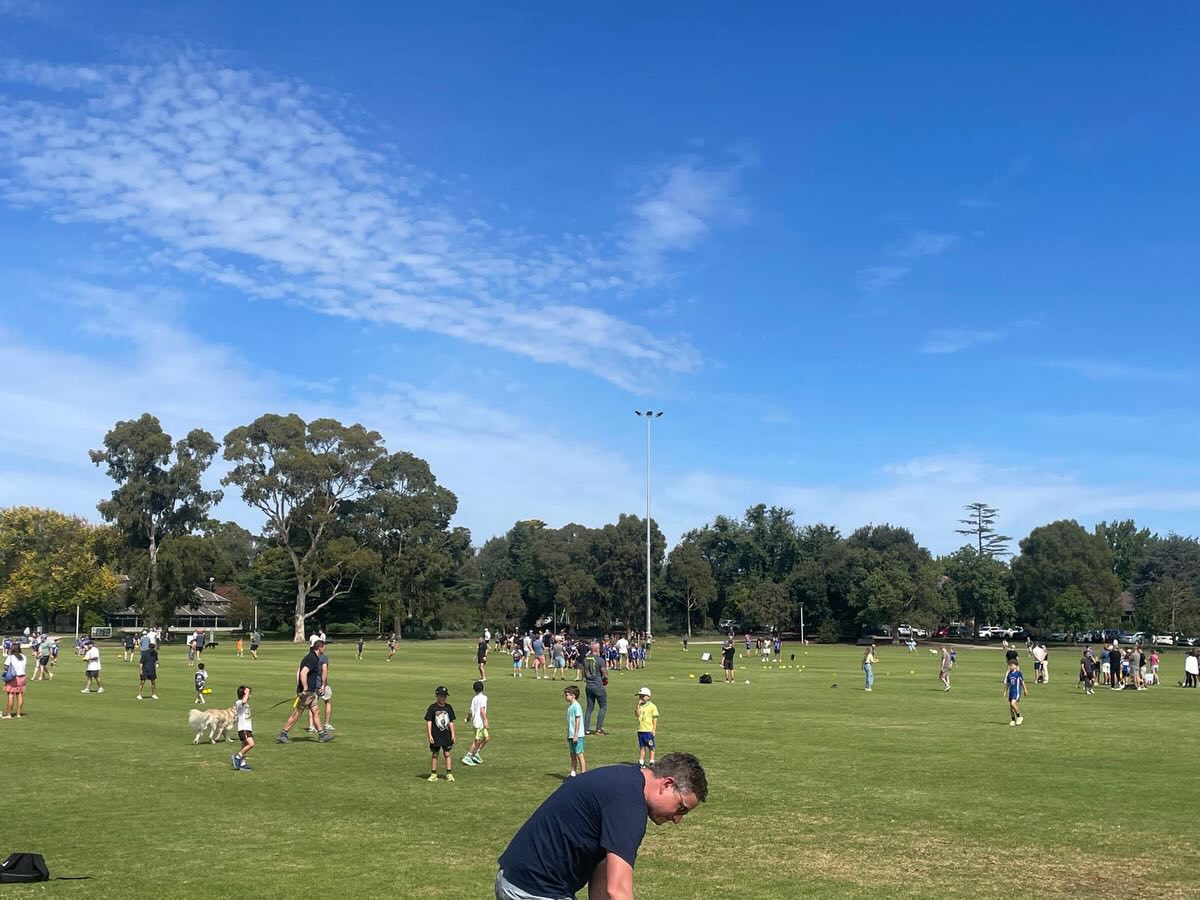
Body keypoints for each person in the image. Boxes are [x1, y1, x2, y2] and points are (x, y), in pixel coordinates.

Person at [495, 751, 708, 900]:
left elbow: (604, 874)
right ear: (667, 785)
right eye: (681, 808)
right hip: (532, 890)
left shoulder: (628, 783)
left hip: (523, 882)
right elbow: (619, 890)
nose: (677, 819)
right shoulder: (629, 804)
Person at [276, 640, 333, 743]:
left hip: (311, 692)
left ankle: (321, 734)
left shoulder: (312, 657)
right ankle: (283, 734)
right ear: (319, 647)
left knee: (315, 711)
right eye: (324, 647)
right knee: (297, 712)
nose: (325, 649)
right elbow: (303, 673)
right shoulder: (312, 659)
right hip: (307, 692)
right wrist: (305, 688)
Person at [425, 685, 456, 782]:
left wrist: (453, 734)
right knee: (435, 754)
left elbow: (451, 722)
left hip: (446, 735)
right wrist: (429, 734)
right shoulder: (432, 708)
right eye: (441, 696)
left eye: (445, 696)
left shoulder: (448, 707)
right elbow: (429, 721)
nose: (443, 698)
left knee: (447, 753)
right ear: (437, 696)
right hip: (436, 735)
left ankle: (449, 773)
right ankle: (433, 773)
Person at [582, 641, 608, 735]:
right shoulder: (600, 660)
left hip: (588, 685)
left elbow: (583, 672)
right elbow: (604, 672)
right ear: (597, 649)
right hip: (598, 685)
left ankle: (586, 729)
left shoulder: (585, 659)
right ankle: (598, 729)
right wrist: (606, 679)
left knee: (589, 708)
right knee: (603, 706)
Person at [462, 680, 489, 767]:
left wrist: (468, 719)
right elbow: (482, 710)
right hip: (479, 722)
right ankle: (468, 755)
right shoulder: (484, 698)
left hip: (475, 721)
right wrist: (485, 721)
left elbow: (470, 711)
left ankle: (476, 753)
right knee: (477, 740)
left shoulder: (474, 699)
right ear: (483, 688)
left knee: (486, 738)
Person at [564, 684, 586, 777]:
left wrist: (576, 734)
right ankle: (573, 773)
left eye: (567, 695)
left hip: (577, 735)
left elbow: (578, 720)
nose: (565, 697)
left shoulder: (576, 706)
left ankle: (583, 774)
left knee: (579, 754)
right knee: (572, 754)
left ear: (573, 696)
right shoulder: (570, 706)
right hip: (571, 735)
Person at [232, 685, 255, 771]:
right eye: (249, 694)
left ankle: (242, 764)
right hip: (243, 729)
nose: (250, 695)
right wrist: (247, 692)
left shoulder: (245, 704)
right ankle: (237, 757)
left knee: (244, 746)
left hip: (247, 728)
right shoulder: (239, 702)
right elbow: (244, 701)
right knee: (251, 744)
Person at [634, 687, 659, 768]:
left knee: (651, 746)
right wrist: (638, 705)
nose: (641, 698)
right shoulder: (640, 706)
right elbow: (637, 715)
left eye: (643, 696)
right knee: (642, 746)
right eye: (640, 696)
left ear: (648, 696)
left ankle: (652, 761)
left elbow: (655, 718)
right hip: (641, 729)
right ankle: (641, 761)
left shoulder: (652, 706)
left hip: (648, 730)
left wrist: (654, 729)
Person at [3, 640, 27, 718]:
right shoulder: (23, 656)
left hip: (13, 678)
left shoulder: (10, 657)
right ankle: (18, 714)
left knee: (11, 694)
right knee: (19, 694)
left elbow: (5, 667)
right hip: (22, 677)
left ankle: (9, 714)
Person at [317, 642, 333, 731]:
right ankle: (326, 724)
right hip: (322, 683)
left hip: (312, 684)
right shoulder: (324, 657)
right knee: (328, 702)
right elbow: (324, 672)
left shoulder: (309, 657)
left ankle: (312, 726)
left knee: (313, 705)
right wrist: (323, 685)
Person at [1005, 659, 1027, 726]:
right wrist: (1005, 691)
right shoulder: (1009, 674)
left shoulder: (1018, 673)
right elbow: (1008, 684)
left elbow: (1022, 682)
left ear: (1016, 666)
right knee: (1011, 707)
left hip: (1016, 691)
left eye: (1011, 665)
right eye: (1009, 665)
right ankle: (1013, 720)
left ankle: (1019, 716)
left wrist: (1025, 689)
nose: (1010, 667)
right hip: (1011, 692)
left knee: (1013, 703)